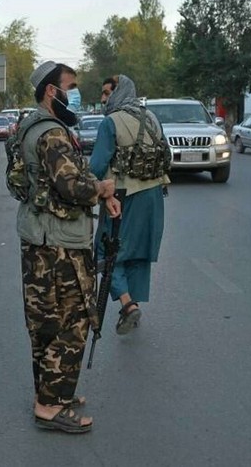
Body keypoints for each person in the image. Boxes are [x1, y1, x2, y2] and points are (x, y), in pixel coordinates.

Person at [16, 61, 120, 434]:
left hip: (40, 238)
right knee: (74, 322)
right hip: (58, 244)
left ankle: (51, 393)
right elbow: (71, 186)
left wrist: (99, 192)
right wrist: (103, 189)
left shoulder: (33, 126)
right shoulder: (52, 134)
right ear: (51, 90)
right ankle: (49, 406)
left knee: (46, 324)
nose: (74, 94)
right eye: (70, 87)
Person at [91, 75, 170, 335]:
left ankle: (127, 305)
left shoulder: (110, 122)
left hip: (124, 197)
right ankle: (132, 304)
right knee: (137, 253)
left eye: (107, 93)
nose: (103, 99)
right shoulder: (152, 117)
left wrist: (87, 189)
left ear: (119, 92)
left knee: (107, 251)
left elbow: (97, 166)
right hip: (154, 196)